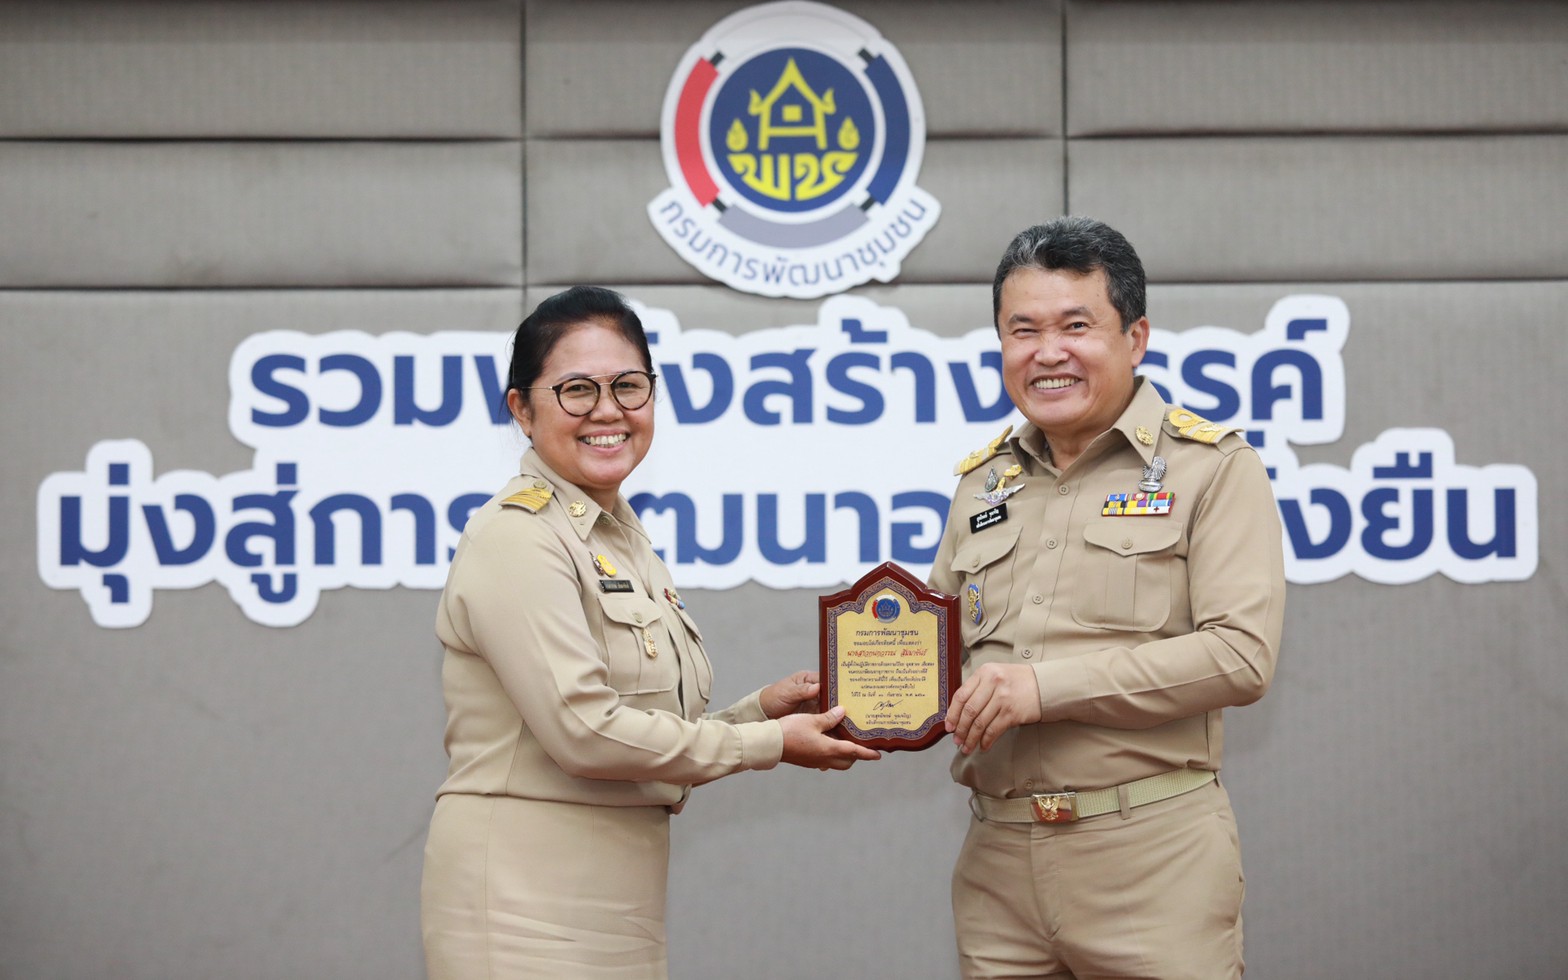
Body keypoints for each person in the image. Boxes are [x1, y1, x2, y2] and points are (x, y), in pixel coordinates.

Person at [420, 285, 878, 979]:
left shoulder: (620, 538)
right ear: (521, 408)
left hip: (616, 904)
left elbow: (636, 731)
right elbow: (584, 730)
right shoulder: (518, 537)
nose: (608, 411)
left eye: (629, 387)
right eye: (577, 389)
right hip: (521, 904)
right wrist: (764, 744)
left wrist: (759, 713)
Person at [930, 217, 1285, 979]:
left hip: (1151, 857)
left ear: (1135, 337)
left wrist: (1041, 687)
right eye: (1021, 330)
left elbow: (1240, 657)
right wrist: (849, 690)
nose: (1046, 352)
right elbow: (938, 655)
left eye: (1076, 326)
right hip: (998, 861)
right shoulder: (981, 483)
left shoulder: (1211, 469)